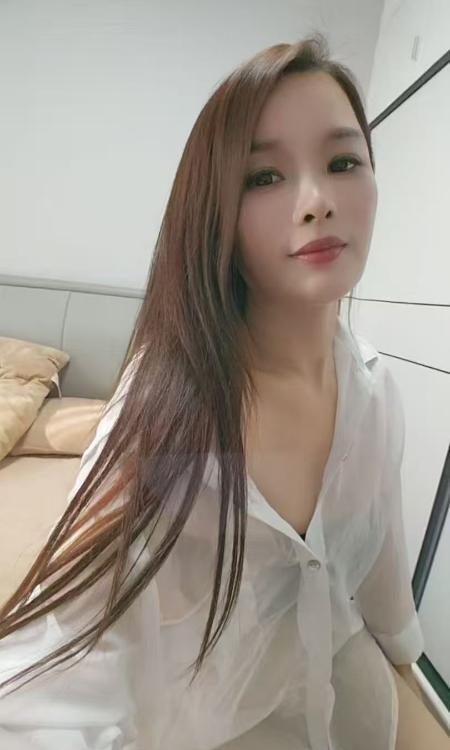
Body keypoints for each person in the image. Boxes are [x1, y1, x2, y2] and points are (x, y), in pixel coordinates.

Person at [0, 33, 437, 750]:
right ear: (215, 213)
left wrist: (406, 669)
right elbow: (65, 662)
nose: (317, 202)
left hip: (351, 702)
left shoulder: (375, 390)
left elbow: (385, 579)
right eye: (264, 177)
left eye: (342, 162)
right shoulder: (160, 421)